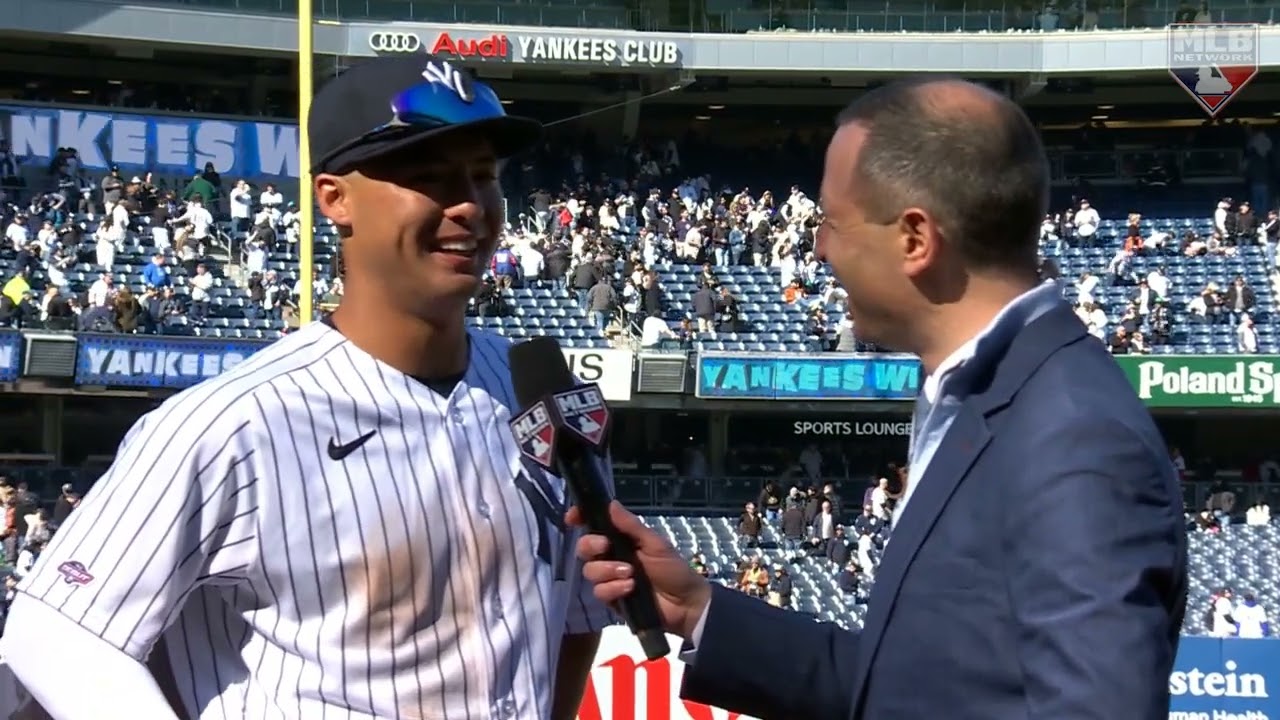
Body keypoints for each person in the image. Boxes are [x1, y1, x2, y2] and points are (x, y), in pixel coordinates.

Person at [3, 54, 615, 720]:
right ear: (334, 197)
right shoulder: (232, 423)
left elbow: (577, 614)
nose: (468, 204)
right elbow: (55, 632)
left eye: (484, 175)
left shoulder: (543, 394)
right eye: (430, 177)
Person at [571, 78, 1186, 720]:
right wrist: (699, 609)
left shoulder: (1072, 433)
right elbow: (912, 691)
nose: (819, 248)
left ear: (915, 239)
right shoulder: (977, 395)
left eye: (832, 223)